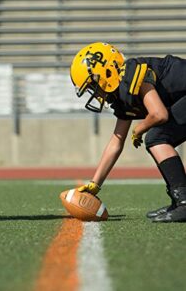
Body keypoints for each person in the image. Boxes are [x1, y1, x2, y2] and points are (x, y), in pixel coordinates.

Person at [70, 42, 186, 223]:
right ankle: (179, 201)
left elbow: (159, 114)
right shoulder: (121, 95)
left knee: (157, 137)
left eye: (93, 85)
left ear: (107, 72)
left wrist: (138, 129)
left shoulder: (131, 74)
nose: (95, 92)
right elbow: (116, 143)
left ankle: (184, 202)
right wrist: (95, 184)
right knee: (158, 137)